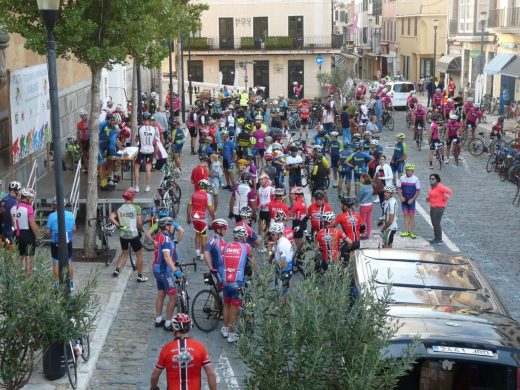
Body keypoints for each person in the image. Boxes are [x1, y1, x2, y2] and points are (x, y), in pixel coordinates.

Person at [150, 313, 217, 390]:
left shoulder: (166, 349)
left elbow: (155, 376)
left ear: (174, 329)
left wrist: (153, 387)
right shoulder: (199, 347)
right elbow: (211, 373)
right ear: (189, 327)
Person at [219, 226, 253, 343]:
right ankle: (232, 334)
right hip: (237, 280)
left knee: (226, 304)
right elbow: (251, 262)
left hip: (225, 279)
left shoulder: (227, 246)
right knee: (235, 307)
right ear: (243, 237)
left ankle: (225, 328)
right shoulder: (246, 247)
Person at [152, 217, 183, 331]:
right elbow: (166, 257)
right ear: (166, 227)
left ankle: (159, 320)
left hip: (156, 269)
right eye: (171, 225)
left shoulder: (158, 236)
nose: (173, 227)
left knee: (161, 294)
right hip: (165, 271)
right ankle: (168, 323)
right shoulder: (165, 239)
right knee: (173, 296)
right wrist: (175, 270)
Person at [110, 188, 148, 282]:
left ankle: (117, 270)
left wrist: (118, 226)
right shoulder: (136, 208)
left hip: (123, 234)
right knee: (139, 255)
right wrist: (141, 229)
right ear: (132, 198)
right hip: (133, 235)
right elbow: (139, 223)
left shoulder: (120, 208)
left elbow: (111, 218)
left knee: (124, 253)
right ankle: (140, 276)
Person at [45, 197, 76, 290]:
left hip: (56, 242)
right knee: (69, 262)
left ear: (55, 205)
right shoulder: (71, 214)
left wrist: (52, 230)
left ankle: (56, 283)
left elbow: (46, 232)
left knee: (56, 263)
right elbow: (74, 229)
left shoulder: (52, 216)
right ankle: (71, 283)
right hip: (68, 242)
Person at [11, 187, 39, 275]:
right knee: (29, 263)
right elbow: (32, 224)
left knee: (18, 261)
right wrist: (38, 236)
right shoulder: (29, 207)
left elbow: (13, 224)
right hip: (27, 236)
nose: (32, 200)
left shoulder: (13, 207)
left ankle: (16, 281)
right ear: (27, 197)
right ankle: (28, 285)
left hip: (16, 236)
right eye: (31, 198)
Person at [187, 179, 215, 261]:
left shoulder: (193, 194)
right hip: (203, 219)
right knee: (204, 236)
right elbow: (210, 209)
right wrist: (213, 218)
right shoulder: (208, 196)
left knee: (197, 234)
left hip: (194, 218)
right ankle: (203, 254)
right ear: (206, 186)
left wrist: (188, 217)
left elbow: (189, 206)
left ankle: (197, 251)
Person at [426, 174, 452, 244]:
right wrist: (428, 199)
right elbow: (432, 196)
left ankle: (439, 239)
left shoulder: (439, 186)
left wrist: (444, 199)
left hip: (439, 208)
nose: (431, 180)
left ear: (436, 179)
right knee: (434, 223)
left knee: (436, 223)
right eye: (430, 178)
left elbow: (449, 191)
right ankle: (436, 238)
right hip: (433, 206)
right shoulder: (433, 187)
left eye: (433, 179)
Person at [269, 222, 293, 297]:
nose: (271, 236)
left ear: (279, 234)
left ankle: (282, 306)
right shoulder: (282, 241)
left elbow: (284, 260)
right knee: (284, 290)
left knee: (282, 292)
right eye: (271, 234)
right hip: (287, 269)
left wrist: (277, 266)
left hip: (283, 271)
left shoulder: (281, 244)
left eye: (273, 234)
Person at [397, 163, 421, 239]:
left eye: (411, 171)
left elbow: (418, 191)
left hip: (411, 200)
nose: (410, 172)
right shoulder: (402, 178)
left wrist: (413, 199)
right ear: (406, 171)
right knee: (405, 215)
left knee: (411, 216)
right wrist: (401, 197)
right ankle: (406, 231)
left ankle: (412, 232)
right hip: (404, 199)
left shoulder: (416, 179)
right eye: (408, 171)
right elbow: (399, 188)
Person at [134, 112, 156, 192]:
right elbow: (154, 140)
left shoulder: (140, 128)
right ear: (150, 119)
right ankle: (148, 186)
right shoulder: (153, 129)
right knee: (148, 168)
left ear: (143, 119)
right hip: (150, 150)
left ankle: (136, 186)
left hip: (142, 150)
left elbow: (136, 139)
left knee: (136, 166)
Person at [98, 113, 120, 189]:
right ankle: (103, 184)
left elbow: (115, 138)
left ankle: (110, 179)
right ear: (111, 120)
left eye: (116, 123)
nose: (115, 124)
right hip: (100, 145)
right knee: (102, 164)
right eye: (115, 122)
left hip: (107, 145)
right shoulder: (102, 124)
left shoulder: (114, 127)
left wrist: (120, 145)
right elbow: (95, 135)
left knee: (110, 162)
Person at [1, 181, 21, 249]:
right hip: (10, 232)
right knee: (11, 256)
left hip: (2, 232)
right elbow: (15, 220)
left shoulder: (3, 200)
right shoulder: (15, 203)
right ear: (16, 191)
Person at [356, 174, 373, 240]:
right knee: (368, 220)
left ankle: (363, 234)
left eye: (361, 178)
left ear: (365, 179)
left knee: (362, 221)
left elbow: (359, 196)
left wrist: (356, 202)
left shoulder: (363, 187)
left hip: (364, 206)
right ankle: (368, 234)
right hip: (370, 205)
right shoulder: (370, 186)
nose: (360, 179)